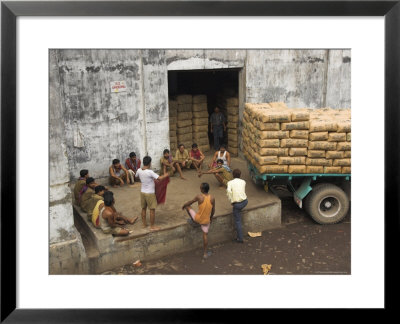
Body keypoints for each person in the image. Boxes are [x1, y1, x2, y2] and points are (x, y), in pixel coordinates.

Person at [182, 182, 215, 259]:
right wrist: (211, 218)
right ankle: (205, 254)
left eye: (200, 188)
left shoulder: (199, 197)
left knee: (188, 207)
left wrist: (184, 205)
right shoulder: (212, 198)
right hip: (206, 221)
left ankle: (194, 222)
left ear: (203, 189)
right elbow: (213, 210)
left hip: (198, 219)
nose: (200, 188)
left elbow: (190, 202)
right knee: (205, 235)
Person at [136, 156, 169, 231]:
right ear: (150, 163)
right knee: (152, 209)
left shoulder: (139, 170)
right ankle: (152, 226)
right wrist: (166, 175)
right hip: (150, 193)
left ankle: (144, 224)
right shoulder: (150, 172)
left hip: (142, 192)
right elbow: (160, 178)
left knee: (143, 208)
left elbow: (136, 177)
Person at [226, 169, 248, 243]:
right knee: (238, 211)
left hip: (237, 204)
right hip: (245, 201)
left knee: (238, 221)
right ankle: (238, 211)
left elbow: (229, 192)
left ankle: (240, 238)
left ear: (233, 175)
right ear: (240, 175)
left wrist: (232, 201)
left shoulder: (230, 182)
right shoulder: (243, 182)